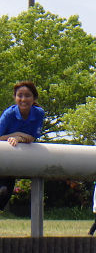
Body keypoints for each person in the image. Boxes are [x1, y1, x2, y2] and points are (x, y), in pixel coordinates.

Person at [0, 81, 45, 211]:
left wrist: (18, 139)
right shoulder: (9, 114)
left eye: (27, 95)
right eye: (20, 95)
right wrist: (16, 134)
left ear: (34, 98)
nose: (23, 99)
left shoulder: (39, 113)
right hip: (3, 155)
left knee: (4, 194)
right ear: (15, 97)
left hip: (13, 161)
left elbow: (32, 137)